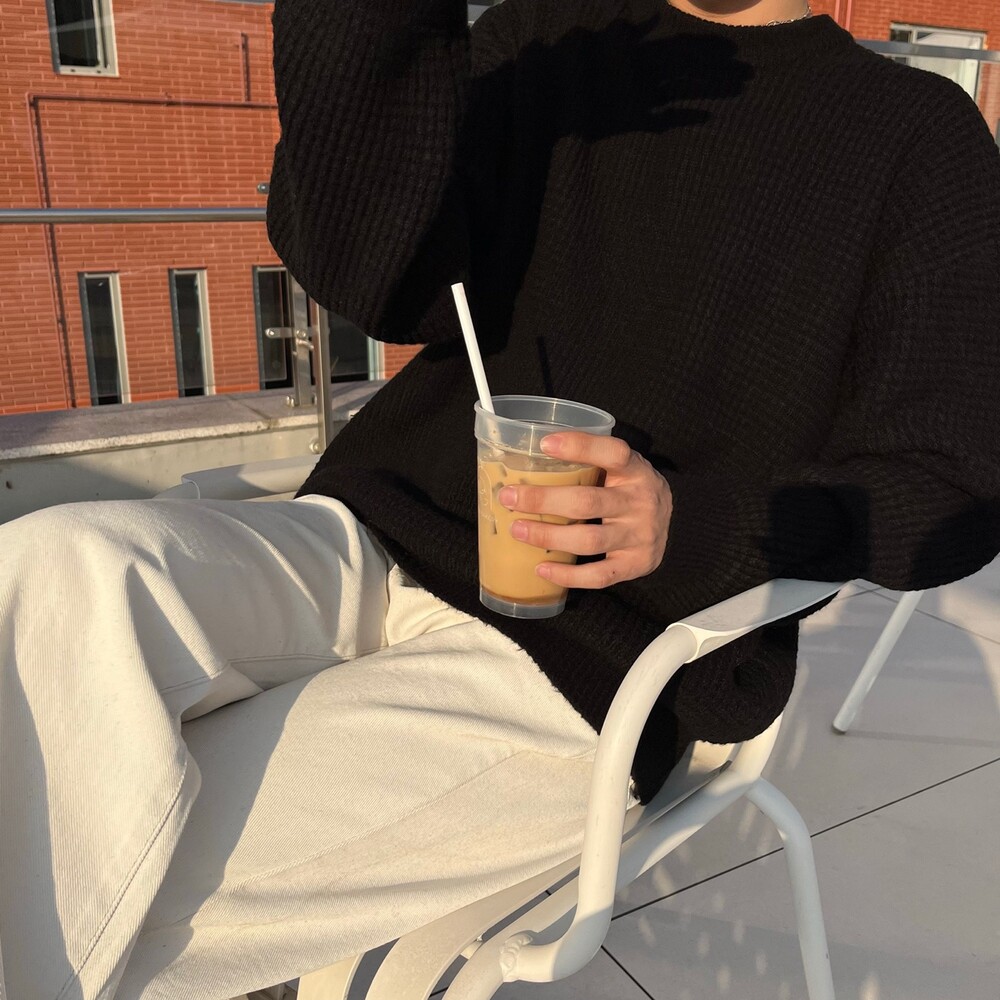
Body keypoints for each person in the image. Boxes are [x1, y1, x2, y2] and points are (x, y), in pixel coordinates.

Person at [1, 0, 998, 997]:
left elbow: (953, 480)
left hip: (602, 649)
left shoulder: (918, 137)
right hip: (372, 536)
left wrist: (691, 523)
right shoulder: (554, 35)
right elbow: (369, 277)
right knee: (57, 567)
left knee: (97, 873)